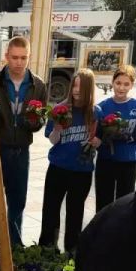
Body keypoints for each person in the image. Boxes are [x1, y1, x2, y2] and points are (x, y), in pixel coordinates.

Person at [0, 36, 48, 255]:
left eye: (23, 58)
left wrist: (35, 122)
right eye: (14, 57)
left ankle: (14, 246)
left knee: (18, 199)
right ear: (6, 56)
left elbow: (42, 118)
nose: (18, 62)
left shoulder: (38, 85)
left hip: (22, 151)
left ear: (29, 58)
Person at [38, 69, 102, 254]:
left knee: (75, 212)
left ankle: (72, 248)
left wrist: (97, 142)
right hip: (58, 167)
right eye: (74, 85)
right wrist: (57, 129)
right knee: (50, 209)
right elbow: (52, 139)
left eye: (81, 87)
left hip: (82, 171)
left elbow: (99, 139)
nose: (76, 90)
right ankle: (47, 247)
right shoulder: (60, 109)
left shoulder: (95, 112)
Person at [95, 65, 136, 211]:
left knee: (125, 204)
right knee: (103, 203)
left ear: (132, 85)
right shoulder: (102, 106)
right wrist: (104, 138)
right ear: (112, 82)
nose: (121, 88)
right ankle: (102, 233)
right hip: (106, 161)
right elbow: (97, 134)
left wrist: (125, 136)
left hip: (128, 162)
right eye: (118, 83)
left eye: (126, 84)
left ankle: (120, 233)